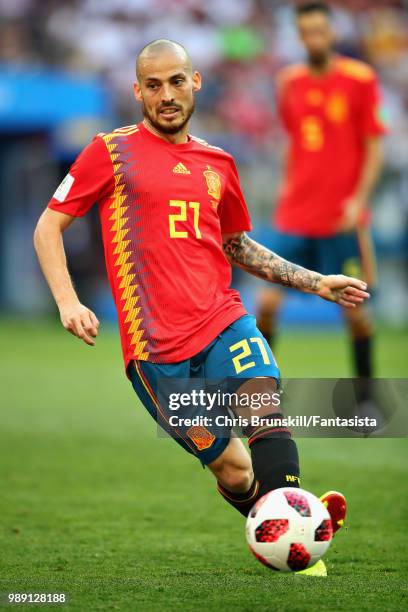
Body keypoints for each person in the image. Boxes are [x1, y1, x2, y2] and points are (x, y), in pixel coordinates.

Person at [34, 39, 369, 575]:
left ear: (195, 83)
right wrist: (67, 301)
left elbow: (236, 245)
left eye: (175, 81)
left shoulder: (220, 163)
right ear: (137, 90)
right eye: (153, 84)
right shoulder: (110, 151)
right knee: (234, 473)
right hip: (156, 353)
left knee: (265, 409)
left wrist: (315, 283)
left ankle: (300, 541)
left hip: (224, 322)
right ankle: (290, 527)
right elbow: (48, 225)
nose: (166, 95)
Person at [256, 2, 386, 400]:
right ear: (300, 35)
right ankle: (262, 395)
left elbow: (374, 146)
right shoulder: (288, 82)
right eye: (306, 31)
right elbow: (296, 141)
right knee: (266, 304)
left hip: (340, 218)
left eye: (320, 30)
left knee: (356, 313)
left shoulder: (359, 79)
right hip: (295, 214)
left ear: (332, 33)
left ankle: (366, 399)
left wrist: (357, 202)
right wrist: (287, 185)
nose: (314, 38)